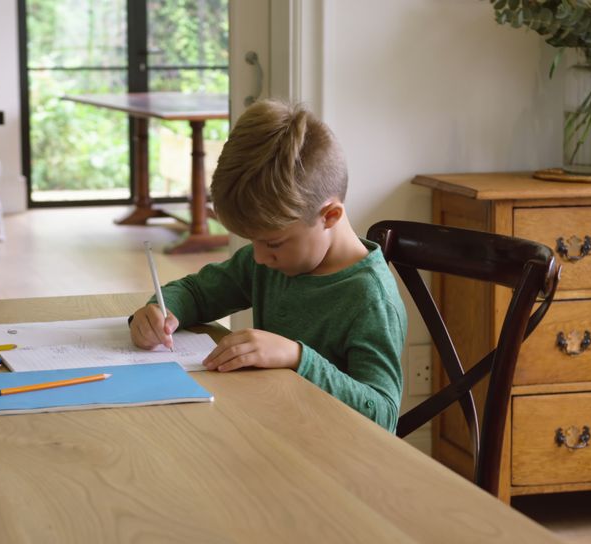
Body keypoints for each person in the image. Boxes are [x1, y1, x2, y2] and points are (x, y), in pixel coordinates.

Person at [129, 99, 407, 432]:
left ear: (330, 216)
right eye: (253, 241)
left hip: (337, 462)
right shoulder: (270, 262)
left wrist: (298, 357)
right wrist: (160, 311)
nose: (258, 257)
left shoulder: (370, 298)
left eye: (272, 243)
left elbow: (383, 414)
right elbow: (196, 293)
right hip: (273, 432)